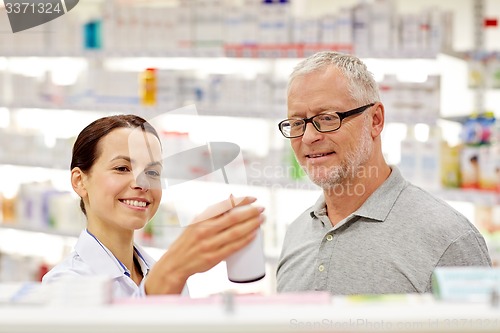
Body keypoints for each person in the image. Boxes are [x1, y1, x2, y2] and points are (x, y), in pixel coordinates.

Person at [276, 51, 492, 295]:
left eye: (327, 118)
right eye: (296, 123)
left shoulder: (449, 239)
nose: (308, 137)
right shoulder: (296, 233)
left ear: (375, 120)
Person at [42, 114, 265, 299]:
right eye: (122, 168)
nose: (142, 183)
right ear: (80, 181)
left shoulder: (156, 270)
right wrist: (174, 268)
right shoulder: (64, 284)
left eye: (152, 172)